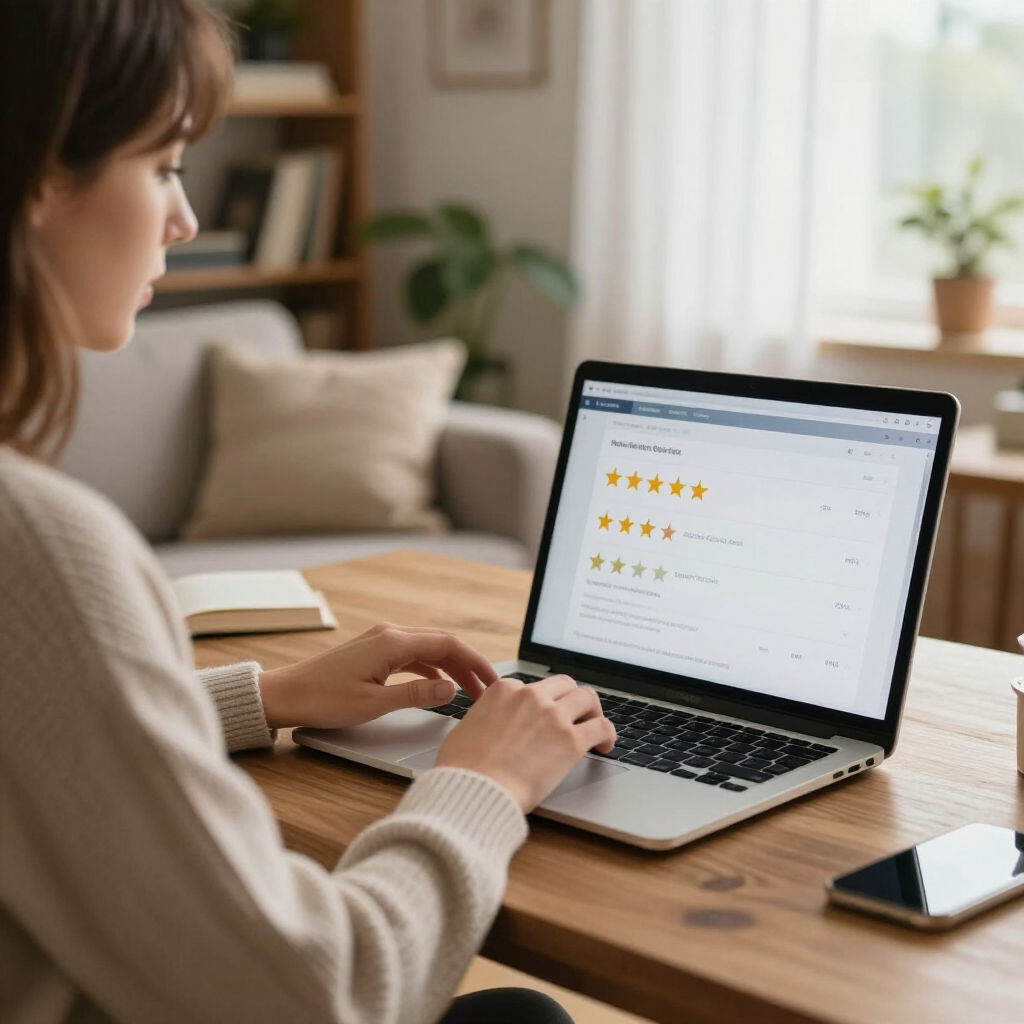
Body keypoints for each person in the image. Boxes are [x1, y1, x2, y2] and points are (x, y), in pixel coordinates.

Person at [0, 3, 617, 1023]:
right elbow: (318, 994)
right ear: (36, 180)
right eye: (162, 166)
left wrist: (263, 694)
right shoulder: (40, 547)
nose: (184, 219)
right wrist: (483, 781)